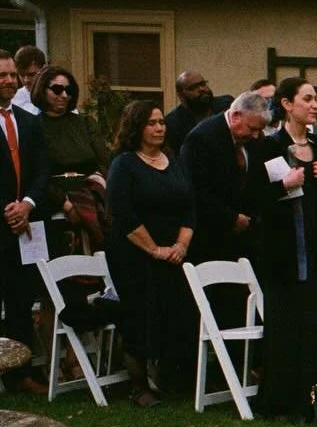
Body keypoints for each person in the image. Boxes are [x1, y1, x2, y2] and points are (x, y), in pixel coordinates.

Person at [248, 78, 317, 419]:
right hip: (282, 250)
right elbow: (254, 199)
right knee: (284, 324)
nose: (315, 104)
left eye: (316, 98)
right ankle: (281, 400)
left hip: (316, 248)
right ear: (288, 104)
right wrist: (282, 185)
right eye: (308, 98)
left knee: (315, 324)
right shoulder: (268, 146)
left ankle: (315, 400)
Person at [105, 100, 194, 406]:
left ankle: (169, 378)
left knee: (174, 311)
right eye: (152, 123)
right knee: (139, 315)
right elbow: (122, 214)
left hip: (174, 252)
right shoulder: (124, 164)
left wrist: (180, 245)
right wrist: (154, 249)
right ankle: (138, 385)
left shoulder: (173, 159)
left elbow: (189, 208)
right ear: (136, 127)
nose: (159, 128)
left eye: (161, 122)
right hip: (134, 253)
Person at [0, 50, 47, 393]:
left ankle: (19, 375)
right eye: (2, 75)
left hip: (24, 226)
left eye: (12, 75)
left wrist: (27, 204)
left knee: (20, 300)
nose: (9, 81)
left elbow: (42, 170)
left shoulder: (28, 121)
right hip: (3, 220)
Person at [180, 93, 268, 265]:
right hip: (211, 239)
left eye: (259, 130)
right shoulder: (201, 138)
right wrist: (231, 218)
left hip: (244, 241)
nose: (256, 135)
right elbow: (196, 190)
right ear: (236, 116)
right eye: (252, 128)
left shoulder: (251, 139)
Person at [34, 64, 110, 256]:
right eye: (57, 89)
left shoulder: (84, 123)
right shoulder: (32, 126)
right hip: (54, 206)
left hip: (91, 198)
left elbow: (103, 162)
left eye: (69, 90)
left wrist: (94, 192)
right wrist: (65, 204)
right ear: (43, 90)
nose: (64, 95)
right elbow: (35, 171)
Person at [165, 70, 220, 151]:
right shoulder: (172, 123)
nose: (201, 89)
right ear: (181, 95)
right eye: (193, 88)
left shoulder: (226, 104)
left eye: (203, 84)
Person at [12, 45, 45, 115]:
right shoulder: (13, 100)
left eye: (31, 74)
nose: (26, 80)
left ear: (43, 69)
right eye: (21, 75)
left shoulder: (58, 95)